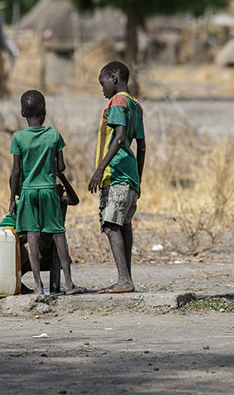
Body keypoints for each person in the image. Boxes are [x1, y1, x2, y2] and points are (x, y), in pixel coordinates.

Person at [9, 90, 83, 295]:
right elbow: (61, 166)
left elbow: (16, 171)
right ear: (44, 112)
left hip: (28, 192)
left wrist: (12, 199)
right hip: (49, 190)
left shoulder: (18, 138)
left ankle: (38, 287)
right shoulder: (54, 135)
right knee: (58, 235)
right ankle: (68, 284)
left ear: (23, 113)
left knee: (33, 237)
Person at [88, 61, 146, 294]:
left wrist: (100, 168)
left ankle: (124, 279)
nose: (102, 90)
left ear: (114, 78)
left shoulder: (118, 101)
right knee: (124, 224)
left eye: (102, 83)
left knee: (111, 225)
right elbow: (141, 146)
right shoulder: (136, 105)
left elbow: (120, 136)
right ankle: (126, 278)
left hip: (117, 173)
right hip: (130, 174)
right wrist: (138, 180)